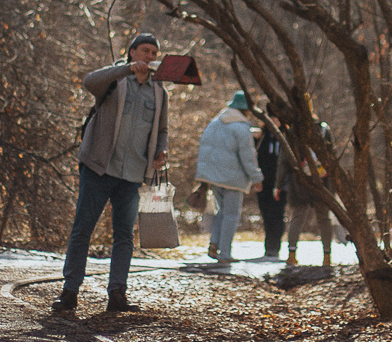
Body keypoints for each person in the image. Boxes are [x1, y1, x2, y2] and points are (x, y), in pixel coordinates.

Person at [52, 33, 168, 315]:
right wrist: (126, 69)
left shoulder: (159, 91)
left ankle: (117, 294)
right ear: (132, 52)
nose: (149, 56)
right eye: (144, 50)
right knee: (83, 229)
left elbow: (162, 129)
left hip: (133, 174)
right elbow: (89, 81)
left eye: (154, 53)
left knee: (124, 236)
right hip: (99, 168)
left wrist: (160, 151)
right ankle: (70, 292)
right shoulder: (115, 80)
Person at [194, 89, 263, 269]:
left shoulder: (216, 122)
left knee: (221, 212)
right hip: (234, 179)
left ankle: (214, 244)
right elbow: (248, 157)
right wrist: (256, 178)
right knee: (231, 215)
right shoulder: (241, 128)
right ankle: (224, 253)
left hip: (214, 177)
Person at [275, 121, 334, 269]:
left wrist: (279, 185)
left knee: (297, 217)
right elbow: (331, 156)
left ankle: (291, 255)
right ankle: (327, 257)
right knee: (324, 219)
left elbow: (284, 160)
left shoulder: (292, 131)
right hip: (321, 181)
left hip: (299, 181)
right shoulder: (322, 129)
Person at [256, 113, 285, 259]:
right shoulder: (261, 136)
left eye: (277, 118)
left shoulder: (286, 136)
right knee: (266, 214)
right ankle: (268, 247)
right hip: (263, 182)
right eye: (272, 118)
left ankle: (275, 246)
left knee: (277, 214)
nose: (274, 121)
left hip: (281, 183)